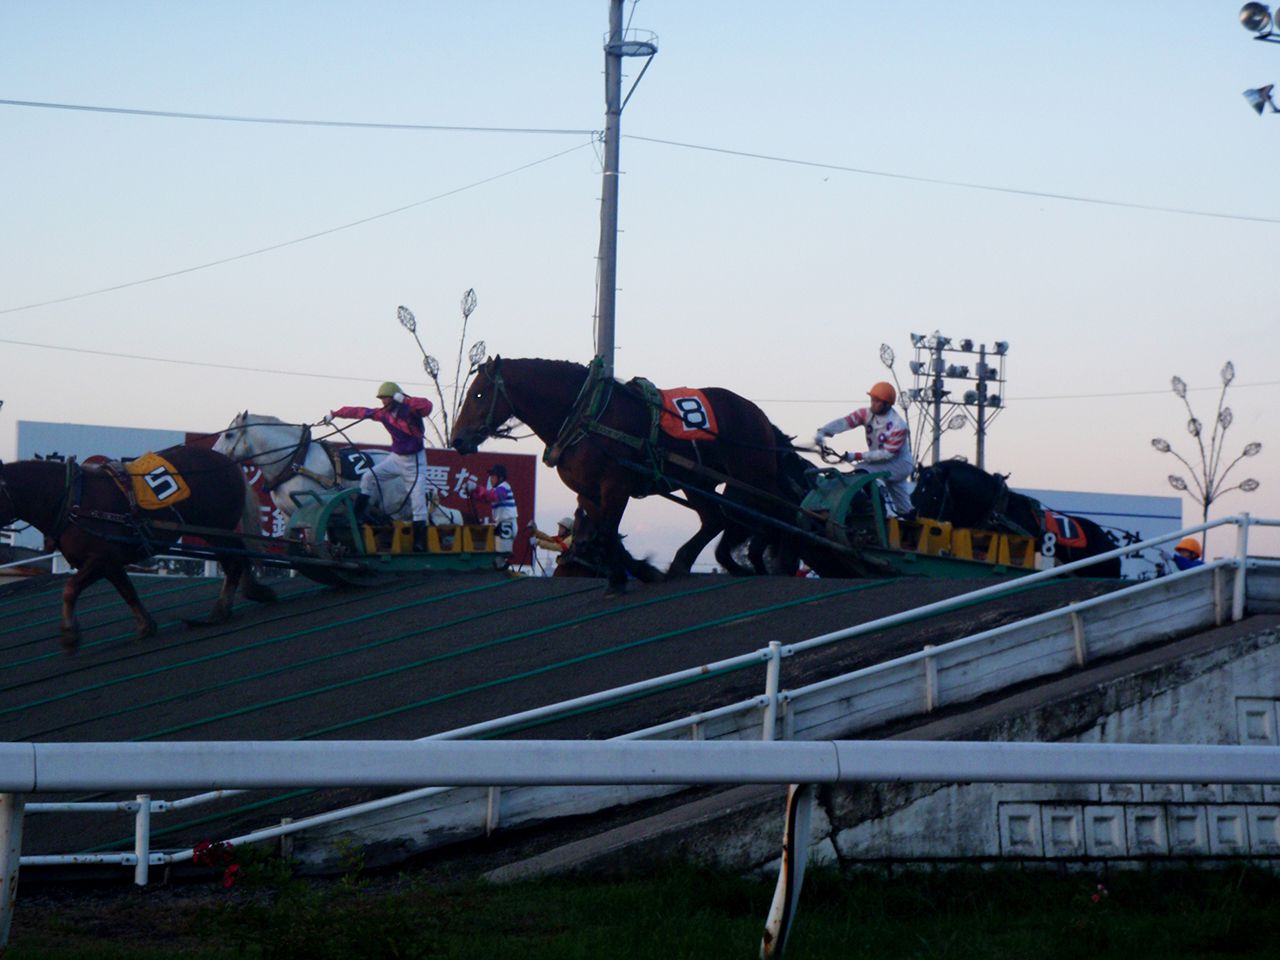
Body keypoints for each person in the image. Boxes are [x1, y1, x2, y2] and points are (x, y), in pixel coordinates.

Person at [328, 381, 433, 551]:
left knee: (418, 500)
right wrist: (335, 414)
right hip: (396, 458)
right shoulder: (382, 414)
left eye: (386, 398)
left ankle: (419, 542)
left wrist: (406, 399)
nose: (383, 402)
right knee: (369, 477)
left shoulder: (411, 410)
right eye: (382, 399)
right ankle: (358, 517)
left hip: (415, 462)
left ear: (395, 398)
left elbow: (427, 407)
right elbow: (359, 411)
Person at [814, 381, 914, 517]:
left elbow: (886, 454)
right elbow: (845, 422)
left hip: (899, 464)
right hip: (882, 463)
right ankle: (909, 517)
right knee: (905, 510)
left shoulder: (898, 426)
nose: (872, 403)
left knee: (861, 472)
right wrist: (824, 431)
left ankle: (875, 509)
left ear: (886, 404)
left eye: (877, 401)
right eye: (872, 399)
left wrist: (855, 456)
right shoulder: (865, 414)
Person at [470, 463, 518, 555]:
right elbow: (486, 498)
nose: (490, 479)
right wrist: (473, 493)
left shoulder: (504, 487)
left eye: (493, 477)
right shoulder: (498, 488)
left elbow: (492, 496)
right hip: (502, 524)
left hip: (507, 524)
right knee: (495, 553)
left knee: (501, 556)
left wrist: (477, 488)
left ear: (500, 478)